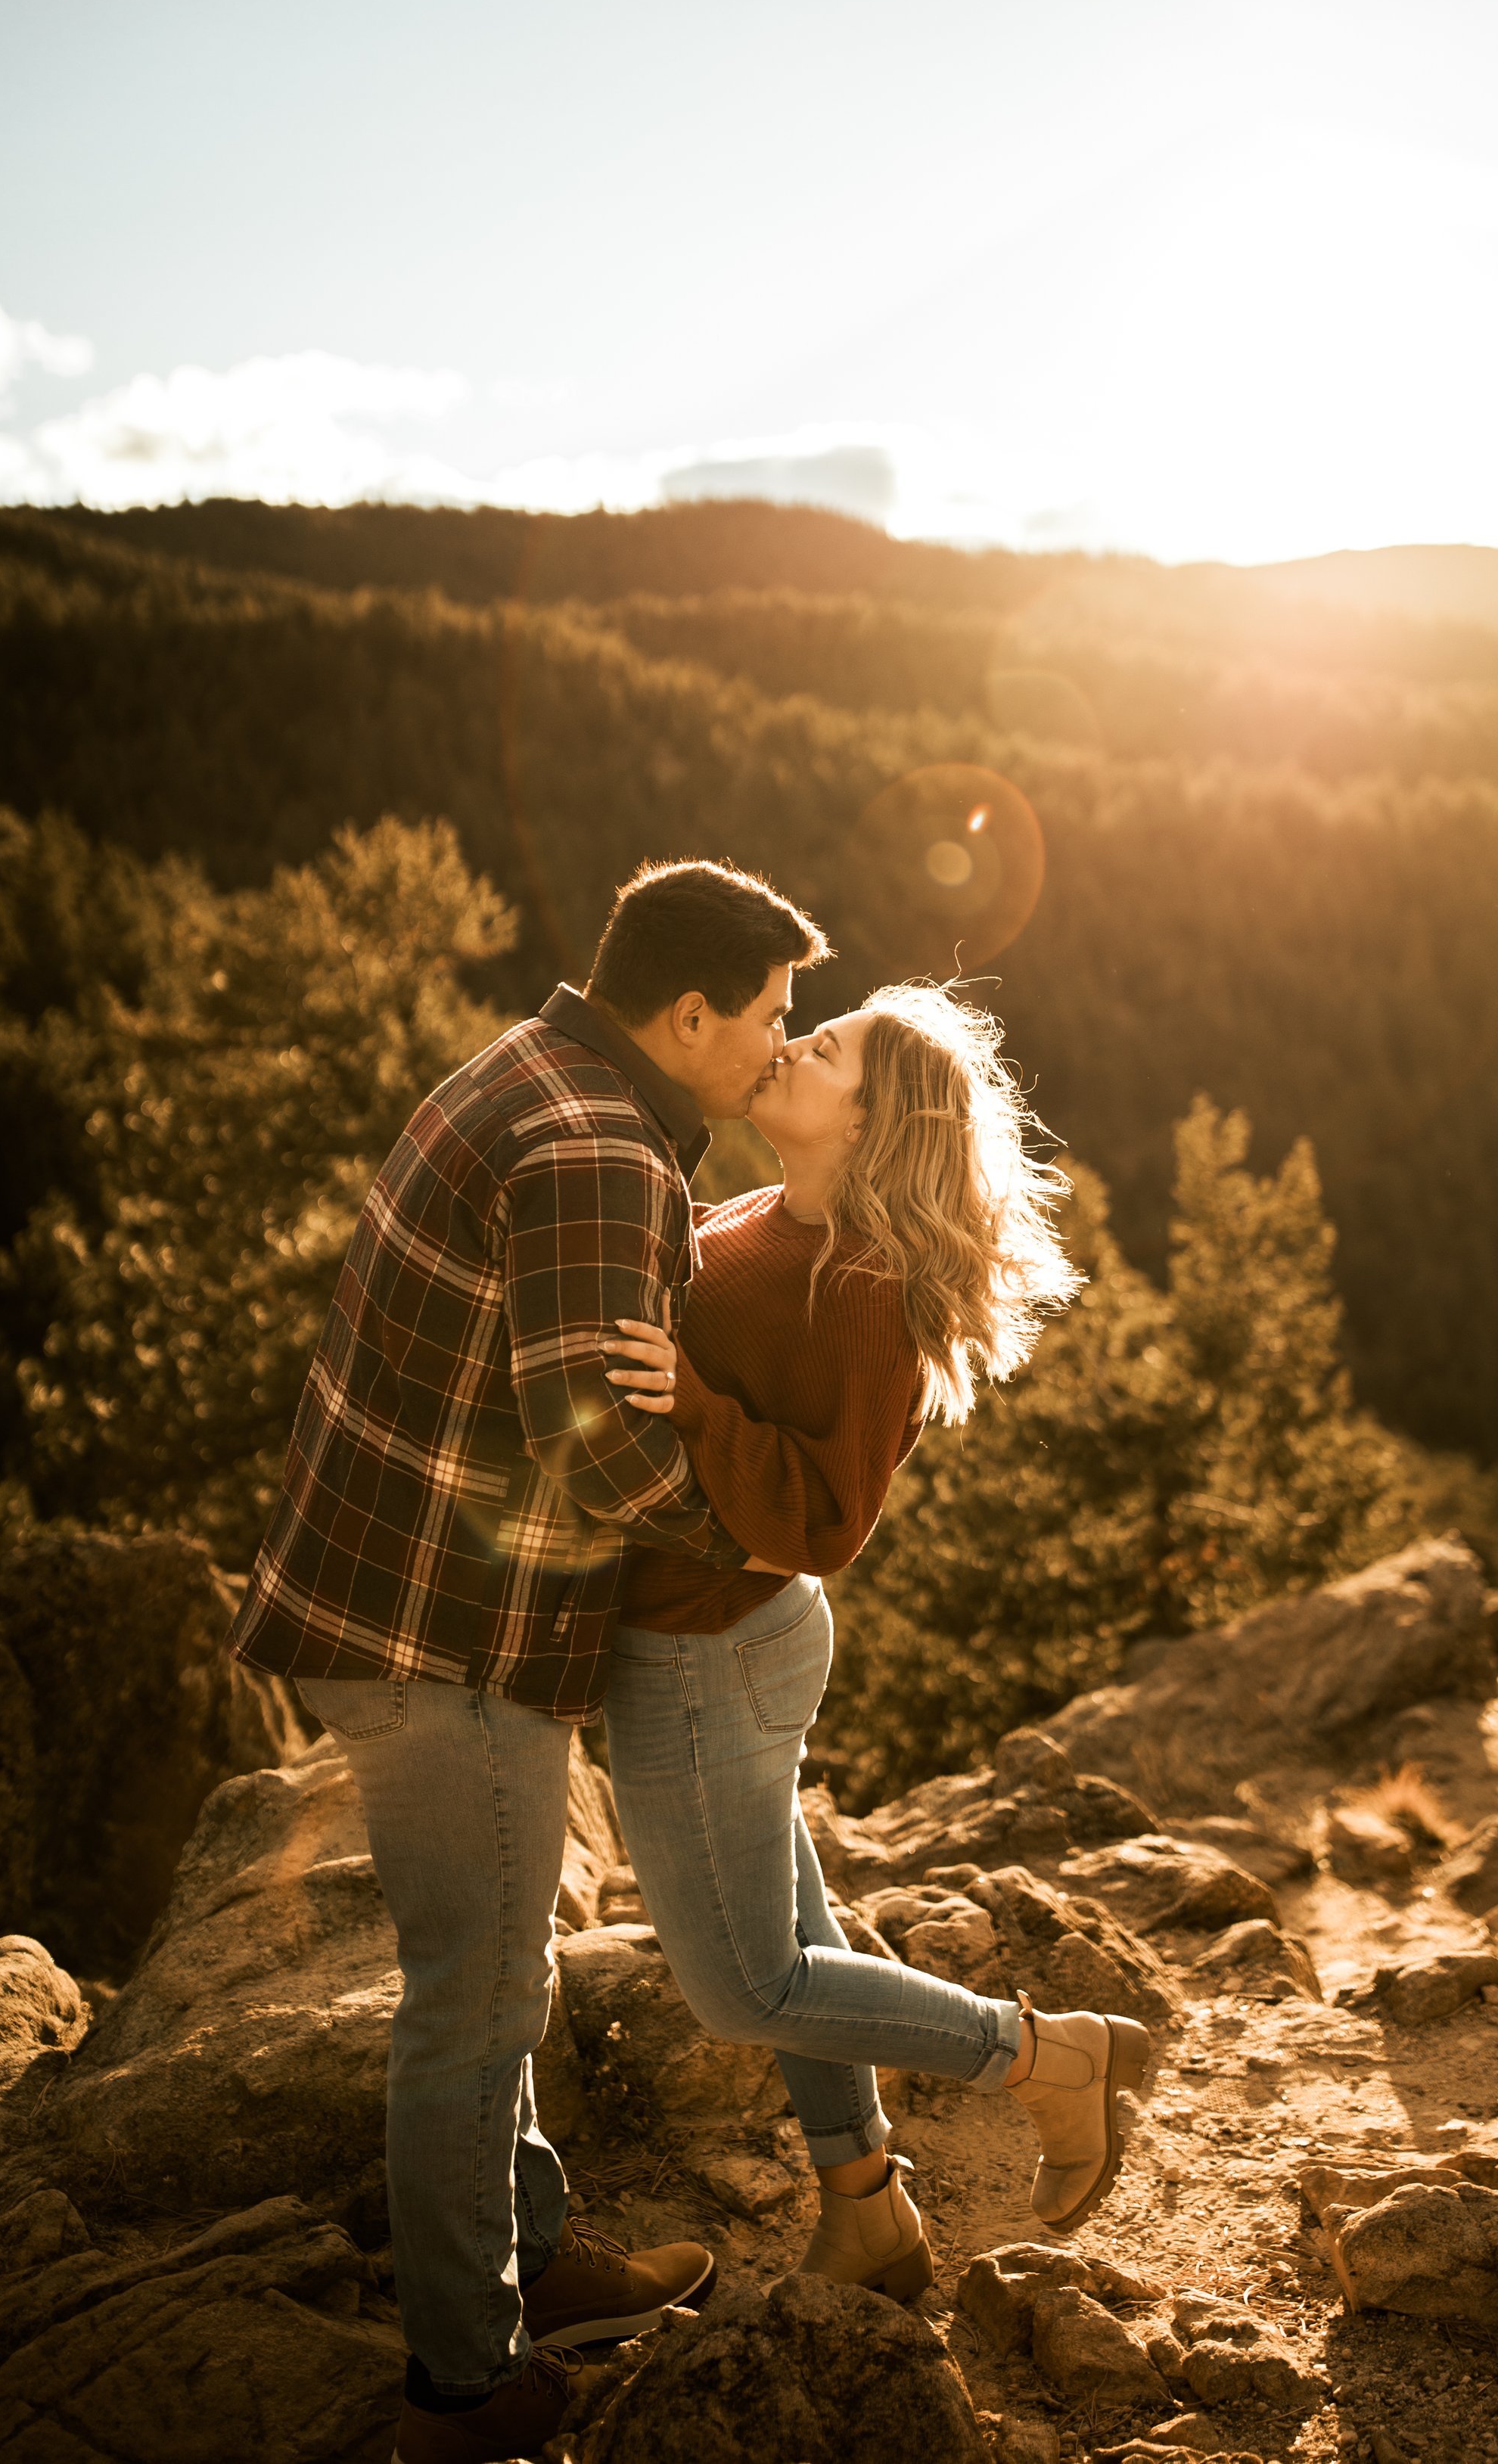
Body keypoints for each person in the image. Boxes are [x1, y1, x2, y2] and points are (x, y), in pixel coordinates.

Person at [231, 857, 831, 2464]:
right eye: (771, 1015)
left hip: (389, 1596)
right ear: (685, 1012)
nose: (788, 1043)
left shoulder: (530, 1062)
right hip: (445, 1637)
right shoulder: (594, 1152)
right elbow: (589, 1448)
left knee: (497, 1969)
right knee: (476, 1993)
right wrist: (758, 1530)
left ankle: (531, 2257)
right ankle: (462, 2381)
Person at [598, 982, 1152, 2300]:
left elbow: (830, 1516)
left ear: (872, 1118)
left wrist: (693, 1402)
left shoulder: (861, 1282)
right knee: (789, 1940)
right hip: (716, 1638)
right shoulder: (766, 1212)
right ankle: (870, 2211)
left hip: (710, 1647)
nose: (791, 1041)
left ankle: (1043, 2054)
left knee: (746, 1986)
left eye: (826, 1044)